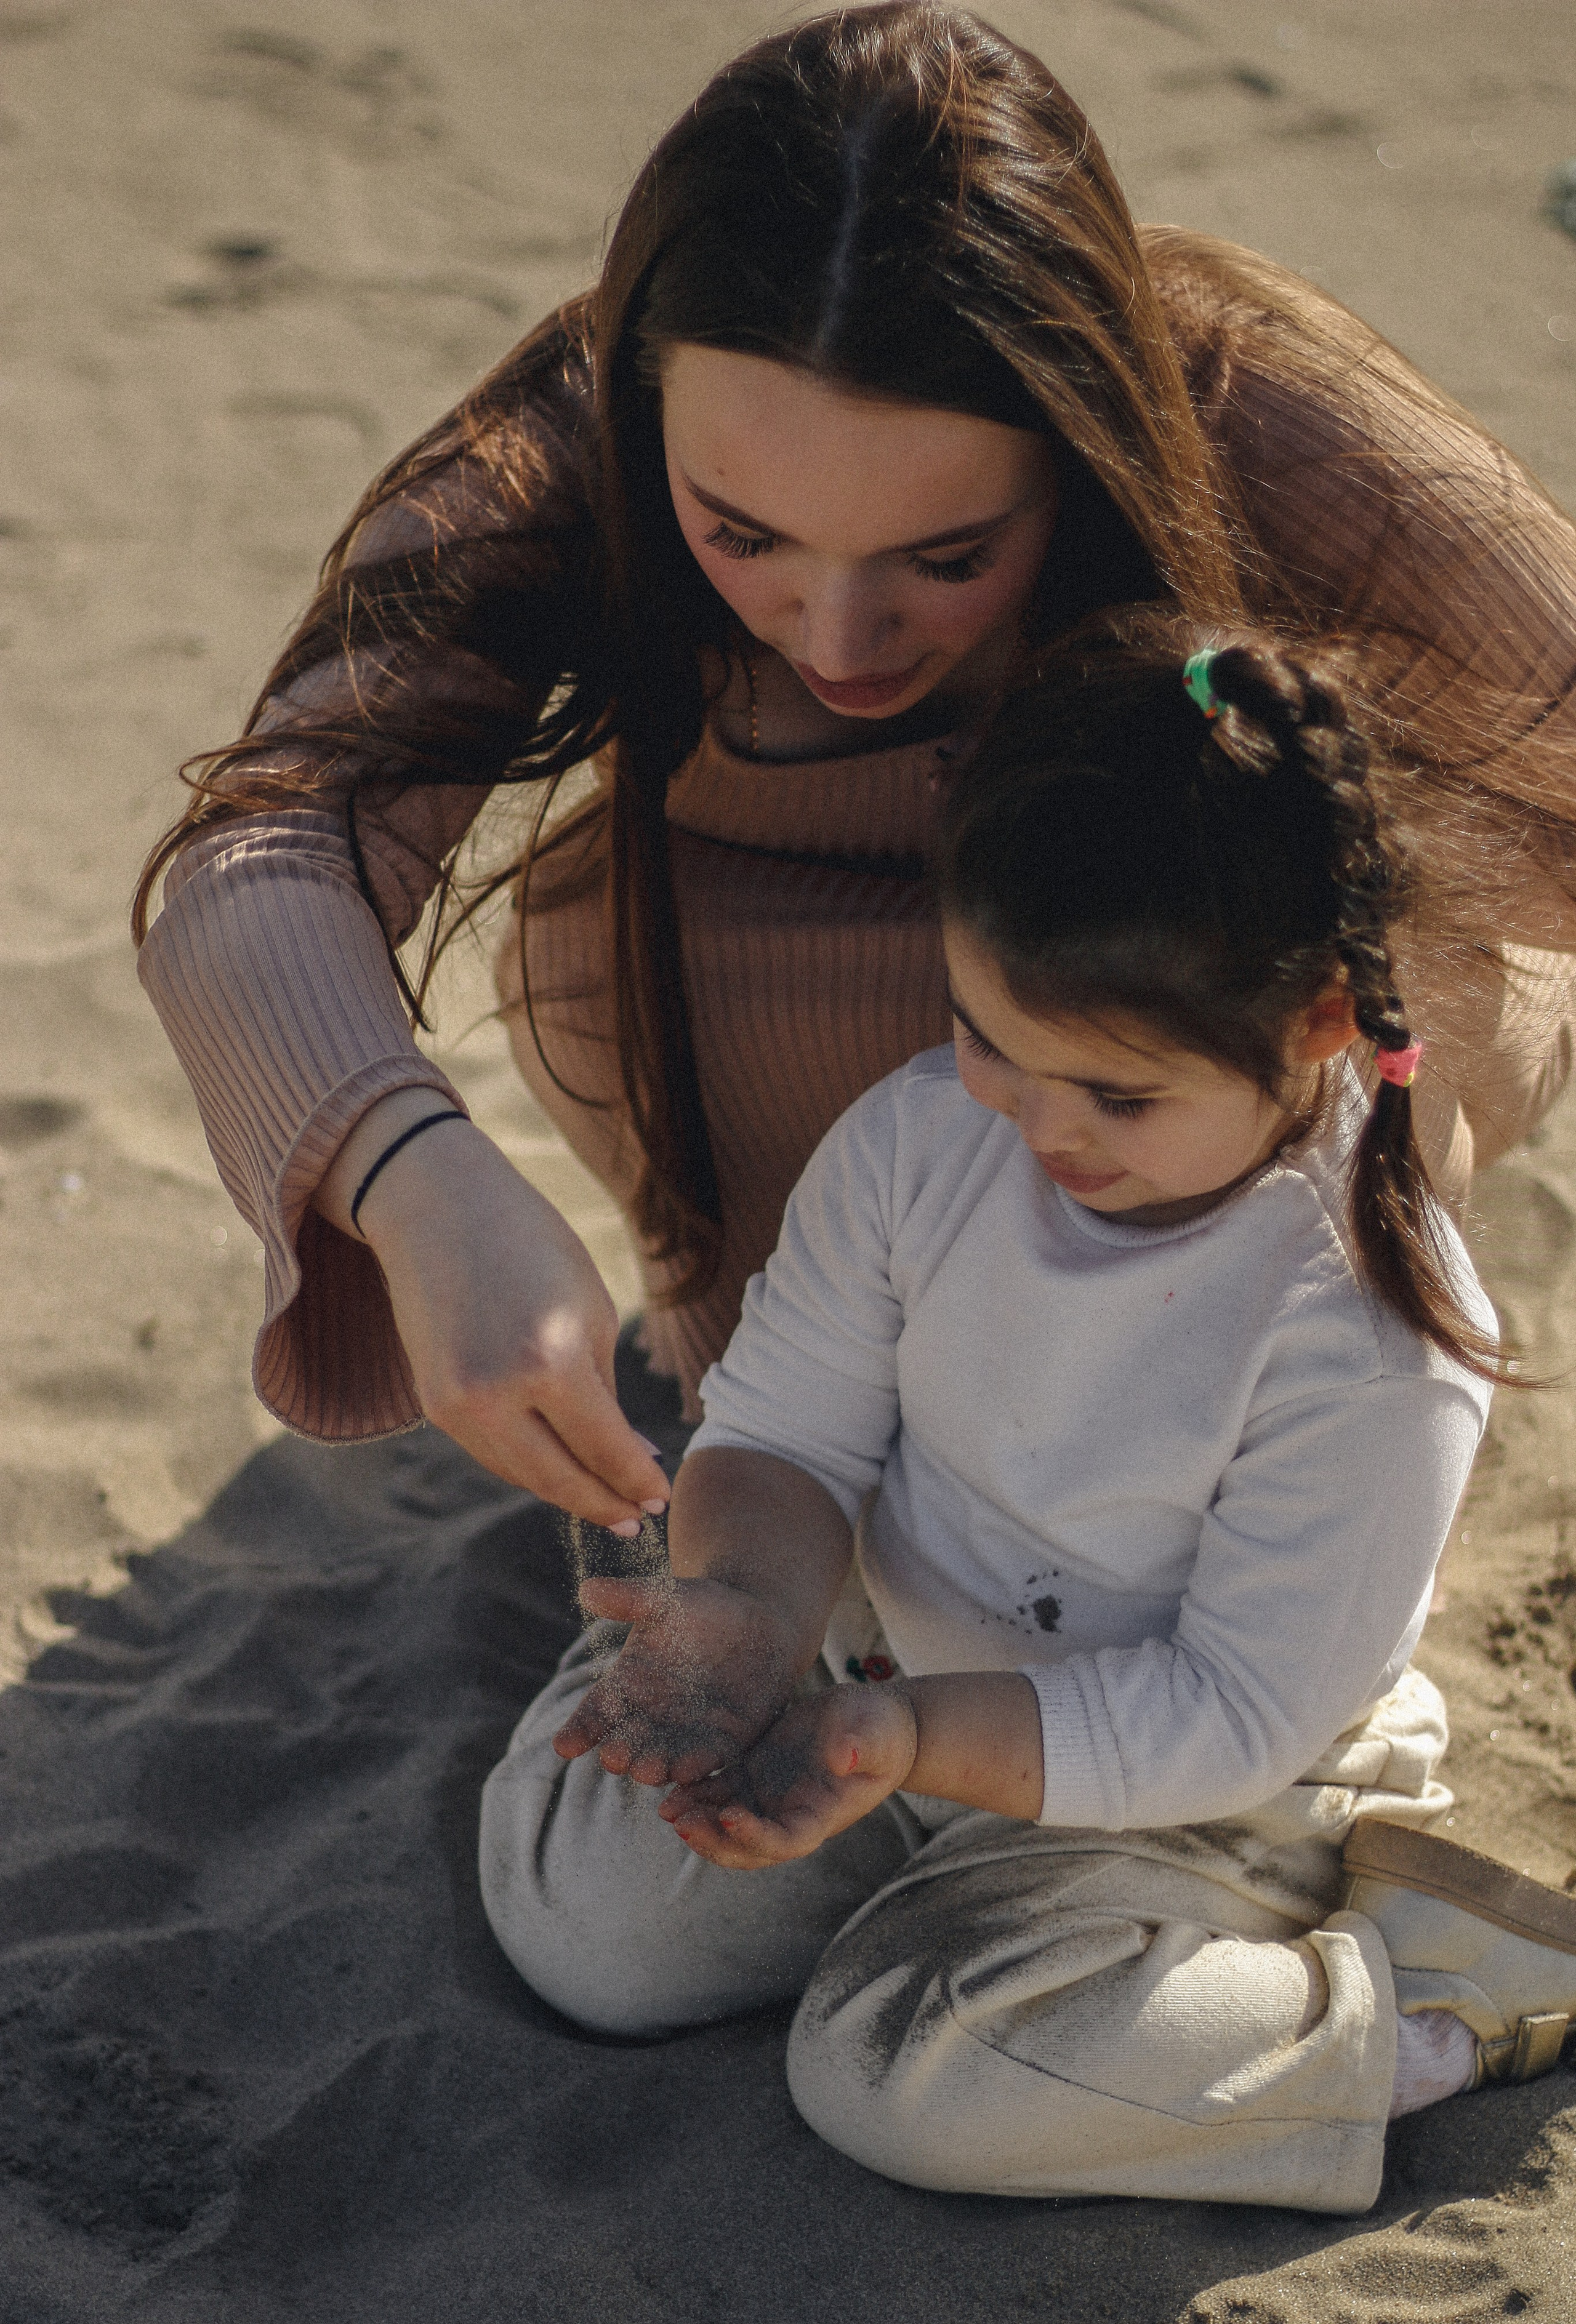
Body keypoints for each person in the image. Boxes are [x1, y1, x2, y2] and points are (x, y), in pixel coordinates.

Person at [134, 5, 1576, 1536]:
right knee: (829, 1436)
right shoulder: (561, 449)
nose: (840, 635)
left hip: (1207, 966)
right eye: (741, 536)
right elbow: (262, 843)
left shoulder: (1242, 400)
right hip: (749, 1005)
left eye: (947, 556)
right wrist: (413, 1177)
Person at [480, 633, 1576, 2215]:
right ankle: (902, 1881)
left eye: (1116, 1096)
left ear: (1321, 1020)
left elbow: (1230, 1705)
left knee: (901, 2073)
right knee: (580, 1922)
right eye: (989, 1035)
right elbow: (785, 1425)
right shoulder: (926, 1140)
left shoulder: (1360, 1325)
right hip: (876, 1675)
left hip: (1187, 1783)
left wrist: (922, 1741)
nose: (1035, 1124)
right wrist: (745, 1610)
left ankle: (1408, 2006)